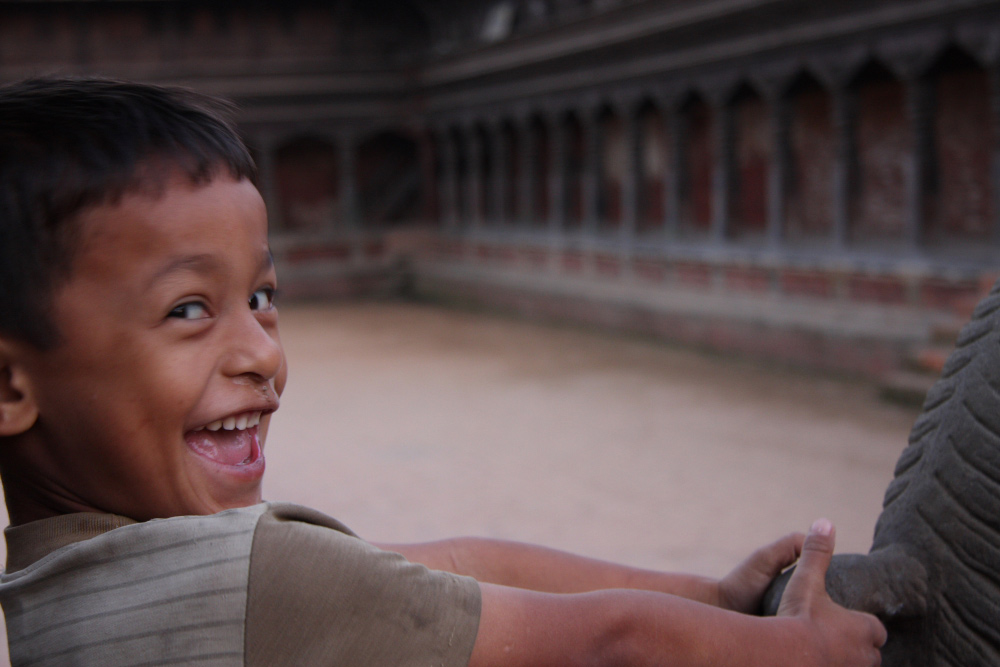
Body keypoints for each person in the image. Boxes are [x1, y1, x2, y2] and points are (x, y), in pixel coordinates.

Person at [0, 76, 886, 666]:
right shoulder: (258, 582)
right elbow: (609, 641)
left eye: (262, 297)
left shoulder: (59, 583)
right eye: (189, 309)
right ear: (11, 386)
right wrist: (802, 647)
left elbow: (462, 561)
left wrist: (711, 592)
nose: (263, 352)